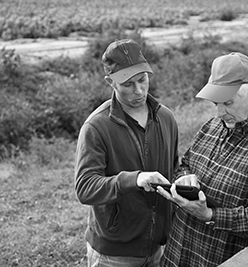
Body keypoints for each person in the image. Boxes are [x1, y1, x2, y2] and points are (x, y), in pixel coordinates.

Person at [157, 52, 248, 267]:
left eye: (227, 103)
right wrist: (185, 178)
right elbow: (185, 165)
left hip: (218, 259)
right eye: (216, 103)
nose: (219, 112)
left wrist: (210, 215)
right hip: (177, 255)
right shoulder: (212, 126)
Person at [74, 39, 179, 267]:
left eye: (142, 80)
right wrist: (134, 179)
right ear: (110, 82)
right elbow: (85, 188)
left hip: (158, 248)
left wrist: (183, 181)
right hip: (113, 256)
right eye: (128, 84)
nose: (139, 90)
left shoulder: (166, 118)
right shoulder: (96, 127)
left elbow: (174, 167)